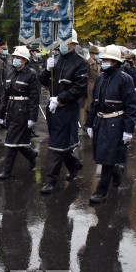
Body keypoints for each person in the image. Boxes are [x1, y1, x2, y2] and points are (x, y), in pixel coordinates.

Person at [85, 45, 136, 203]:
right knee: (102, 155)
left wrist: (128, 129)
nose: (103, 62)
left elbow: (131, 106)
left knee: (107, 157)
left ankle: (101, 191)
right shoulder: (101, 78)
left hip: (116, 122)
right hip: (100, 121)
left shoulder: (125, 79)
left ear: (115, 62)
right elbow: (95, 103)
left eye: (106, 60)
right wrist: (90, 123)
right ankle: (116, 173)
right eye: (103, 59)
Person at [39, 32, 88, 194]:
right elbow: (43, 81)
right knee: (59, 141)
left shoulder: (80, 63)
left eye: (65, 43)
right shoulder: (56, 59)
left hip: (67, 109)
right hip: (53, 109)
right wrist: (46, 70)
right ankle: (74, 165)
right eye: (60, 42)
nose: (62, 45)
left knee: (57, 145)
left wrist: (60, 99)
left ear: (73, 44)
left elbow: (79, 88)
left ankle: (50, 180)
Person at [0, 46, 40, 179]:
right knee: (17, 141)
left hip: (23, 111)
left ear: (25, 60)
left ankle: (7, 171)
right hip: (11, 109)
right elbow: (6, 95)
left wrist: (32, 117)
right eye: (15, 57)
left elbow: (34, 97)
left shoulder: (31, 74)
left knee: (12, 141)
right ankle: (31, 155)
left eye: (19, 58)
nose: (16, 60)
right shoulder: (10, 72)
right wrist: (1, 113)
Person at [80, 45, 101, 128]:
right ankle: (85, 123)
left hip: (96, 84)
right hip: (89, 85)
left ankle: (91, 121)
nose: (97, 55)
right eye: (96, 53)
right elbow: (85, 76)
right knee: (87, 105)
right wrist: (84, 88)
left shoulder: (97, 62)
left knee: (94, 104)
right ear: (91, 54)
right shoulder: (87, 63)